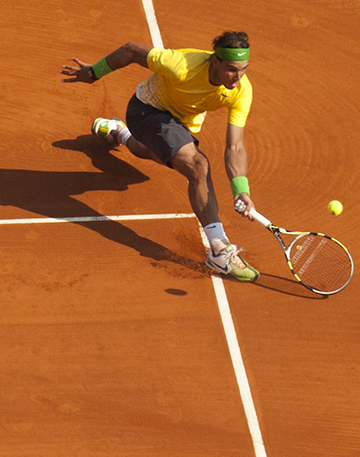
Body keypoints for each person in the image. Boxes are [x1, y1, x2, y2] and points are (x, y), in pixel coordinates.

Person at [61, 31, 259, 282]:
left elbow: (235, 147)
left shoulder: (242, 90)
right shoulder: (181, 65)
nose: (238, 77)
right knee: (198, 165)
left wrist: (241, 189)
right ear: (215, 61)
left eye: (243, 69)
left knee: (154, 153)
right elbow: (131, 49)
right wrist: (94, 72)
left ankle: (119, 132)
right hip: (146, 110)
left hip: (181, 121)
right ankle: (219, 249)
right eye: (232, 69)